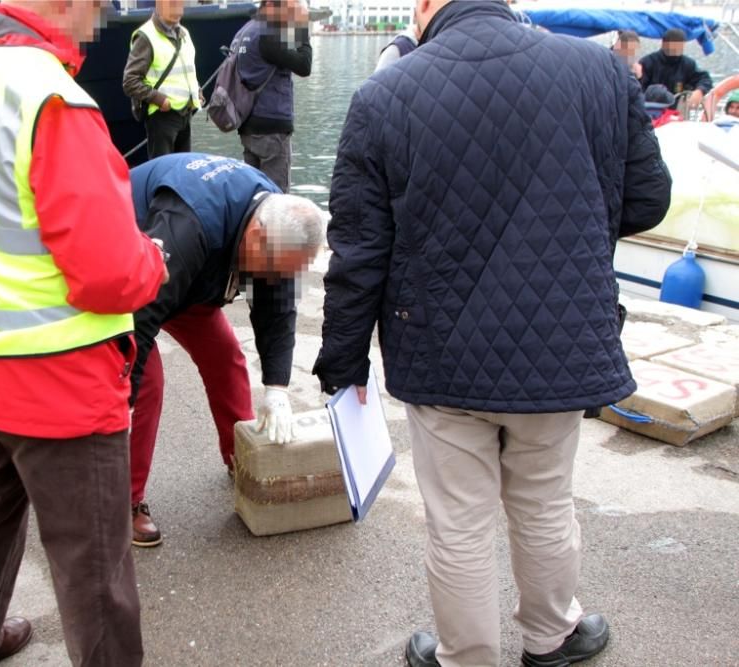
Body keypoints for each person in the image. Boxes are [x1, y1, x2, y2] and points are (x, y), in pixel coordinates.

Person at [313, 1, 671, 666]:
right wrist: (569, 237)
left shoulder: (385, 95)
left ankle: (465, 654)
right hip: (561, 341)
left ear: (425, 7)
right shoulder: (600, 72)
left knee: (458, 518)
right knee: (543, 497)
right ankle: (553, 634)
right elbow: (650, 199)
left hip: (442, 352)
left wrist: (343, 364)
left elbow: (360, 252)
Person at [0, 1, 167, 664]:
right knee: (94, 571)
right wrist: (155, 261)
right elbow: (107, 273)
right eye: (96, 8)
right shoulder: (52, 99)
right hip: (62, 379)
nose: (97, 23)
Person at [128, 152, 323, 547]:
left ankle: (244, 461)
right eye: (272, 269)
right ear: (255, 238)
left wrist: (278, 390)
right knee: (146, 383)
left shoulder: (277, 217)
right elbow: (139, 318)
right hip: (131, 273)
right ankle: (120, 501)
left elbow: (278, 305)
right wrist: (121, 402)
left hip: (193, 276)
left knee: (227, 360)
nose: (273, 280)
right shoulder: (188, 224)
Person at [233, 0, 312, 193]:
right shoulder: (267, 34)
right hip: (271, 130)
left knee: (254, 196)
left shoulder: (245, 31)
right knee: (277, 200)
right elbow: (304, 65)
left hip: (248, 126)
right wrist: (301, 26)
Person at [122, 0, 200, 159]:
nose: (177, 5)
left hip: (184, 114)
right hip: (162, 116)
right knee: (163, 173)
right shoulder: (146, 36)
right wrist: (159, 99)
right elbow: (130, 81)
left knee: (183, 170)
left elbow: (188, 70)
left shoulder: (184, 33)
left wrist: (197, 92)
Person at [638, 28, 713, 111]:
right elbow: (636, 88)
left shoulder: (688, 64)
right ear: (664, 44)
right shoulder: (647, 62)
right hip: (650, 111)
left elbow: (705, 78)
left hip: (676, 111)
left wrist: (700, 91)